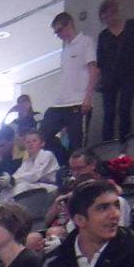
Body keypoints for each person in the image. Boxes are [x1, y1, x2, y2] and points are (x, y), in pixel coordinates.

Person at [95, 0, 134, 144]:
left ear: (115, 13)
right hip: (109, 77)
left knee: (124, 108)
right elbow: (100, 60)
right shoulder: (104, 36)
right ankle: (107, 143)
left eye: (109, 16)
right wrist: (99, 78)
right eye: (104, 18)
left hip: (128, 73)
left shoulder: (132, 26)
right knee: (109, 112)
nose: (108, 20)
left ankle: (124, 141)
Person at [42, 13, 98, 161]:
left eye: (59, 30)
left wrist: (88, 98)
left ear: (69, 25)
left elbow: (93, 70)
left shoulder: (86, 42)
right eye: (56, 32)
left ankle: (72, 166)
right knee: (43, 135)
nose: (58, 35)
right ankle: (64, 160)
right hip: (61, 103)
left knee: (77, 145)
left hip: (78, 102)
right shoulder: (65, 49)